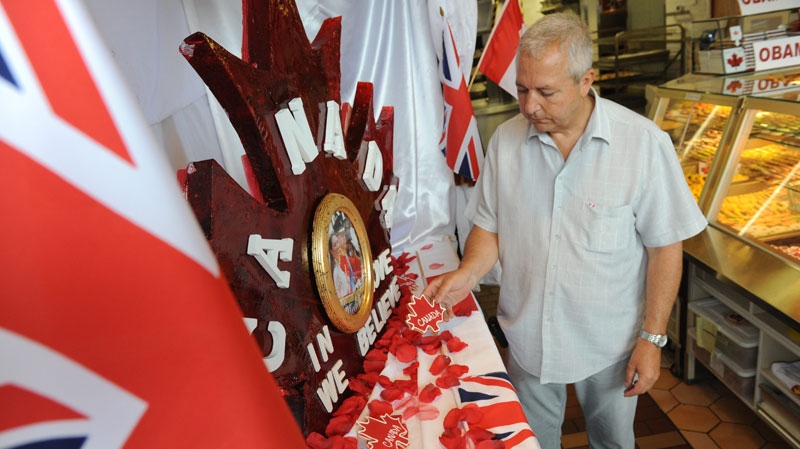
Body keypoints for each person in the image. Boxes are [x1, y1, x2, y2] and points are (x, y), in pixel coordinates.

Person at [422, 12, 707, 449]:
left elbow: (666, 248)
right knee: (534, 443)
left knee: (612, 442)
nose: (530, 106)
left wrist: (652, 339)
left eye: (546, 92)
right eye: (522, 89)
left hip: (609, 344)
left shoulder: (643, 144)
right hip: (528, 336)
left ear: (585, 80)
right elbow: (490, 226)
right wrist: (467, 273)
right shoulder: (506, 141)